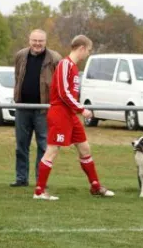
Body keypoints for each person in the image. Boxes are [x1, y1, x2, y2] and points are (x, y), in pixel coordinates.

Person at [34, 35, 114, 200]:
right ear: (82, 48)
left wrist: (76, 110)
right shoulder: (65, 64)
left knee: (85, 148)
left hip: (69, 115)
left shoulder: (74, 67)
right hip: (60, 114)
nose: (88, 54)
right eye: (88, 50)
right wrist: (81, 109)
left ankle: (95, 186)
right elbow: (63, 93)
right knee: (52, 151)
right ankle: (39, 191)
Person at [11, 29, 61, 187]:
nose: (37, 44)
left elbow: (59, 82)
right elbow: (17, 77)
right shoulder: (20, 56)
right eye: (34, 40)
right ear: (29, 40)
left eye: (40, 41)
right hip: (22, 107)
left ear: (45, 41)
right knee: (21, 146)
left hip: (44, 109)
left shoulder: (55, 58)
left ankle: (41, 180)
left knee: (43, 145)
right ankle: (21, 179)